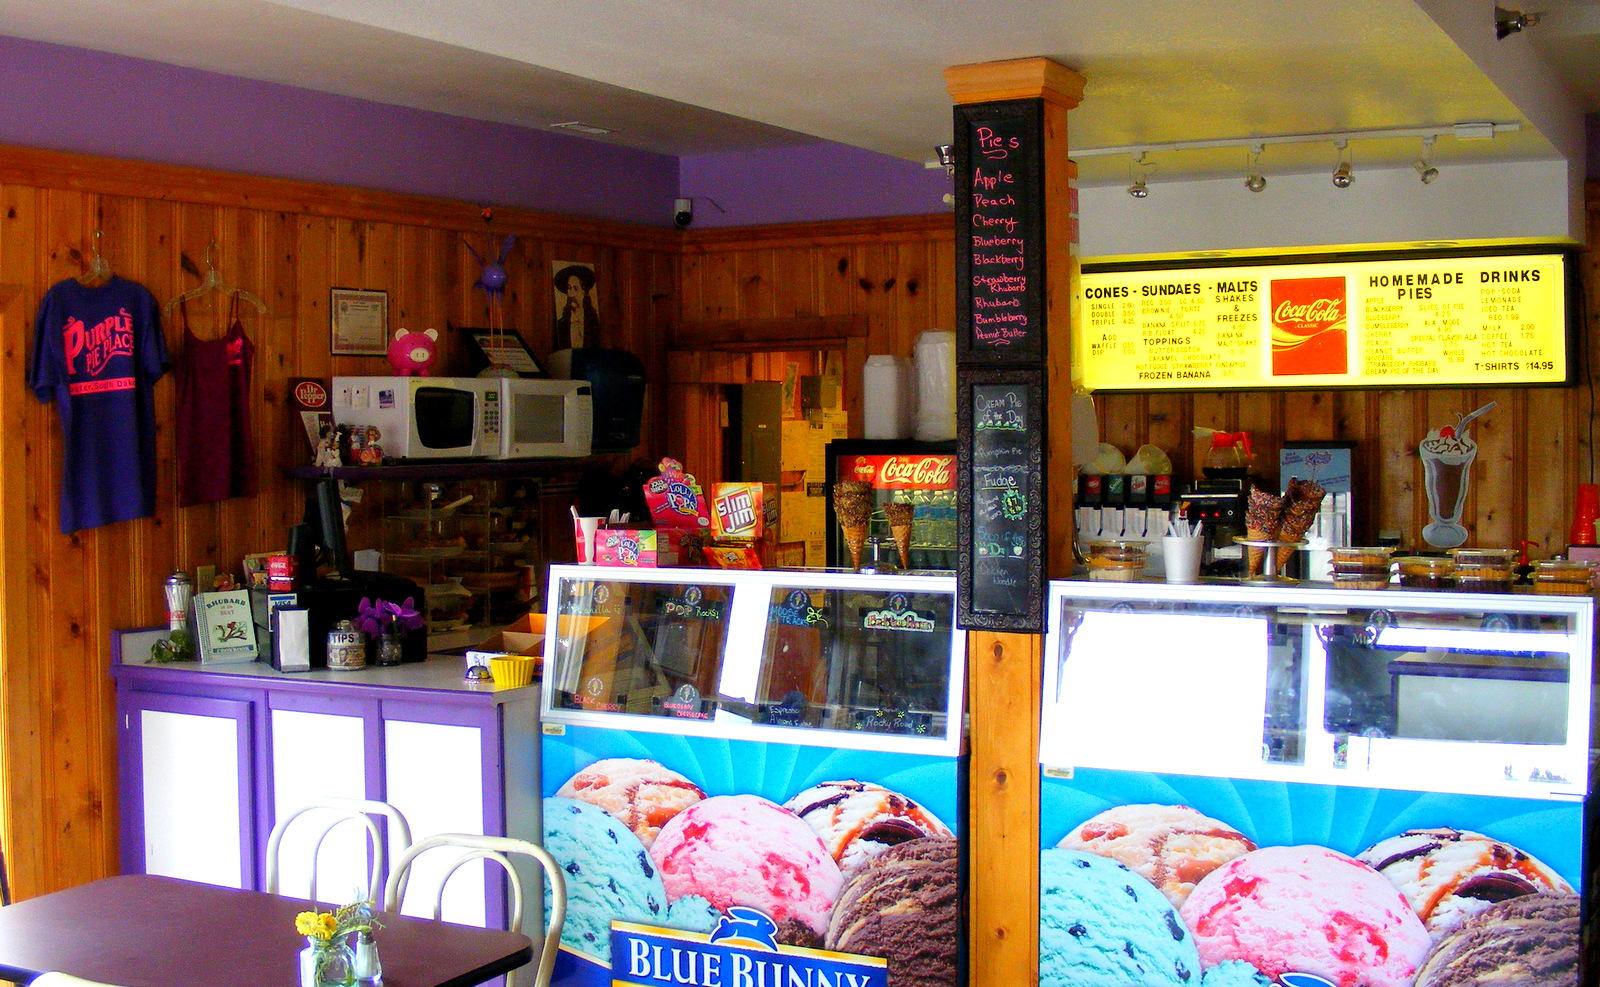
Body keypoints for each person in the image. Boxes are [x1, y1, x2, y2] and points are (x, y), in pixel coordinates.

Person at [553, 263, 599, 350]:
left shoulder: (594, 324)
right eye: (569, 288)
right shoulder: (561, 325)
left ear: (584, 292)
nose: (571, 294)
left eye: (576, 288)